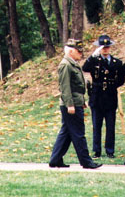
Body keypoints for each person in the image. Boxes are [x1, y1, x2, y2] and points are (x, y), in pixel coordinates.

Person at [49, 39, 102, 169]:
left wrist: (81, 102)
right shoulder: (66, 65)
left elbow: (76, 87)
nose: (81, 54)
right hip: (70, 104)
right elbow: (65, 87)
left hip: (75, 102)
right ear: (71, 51)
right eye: (79, 51)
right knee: (78, 133)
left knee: (66, 133)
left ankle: (55, 159)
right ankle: (86, 161)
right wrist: (70, 105)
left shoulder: (72, 63)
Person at [82, 35, 125, 159]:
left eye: (107, 47)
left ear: (110, 47)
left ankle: (110, 150)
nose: (105, 49)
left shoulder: (117, 62)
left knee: (110, 126)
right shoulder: (94, 61)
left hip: (110, 96)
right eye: (103, 47)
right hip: (97, 96)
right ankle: (97, 150)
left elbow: (121, 80)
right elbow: (84, 68)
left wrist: (111, 86)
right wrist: (92, 56)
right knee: (97, 125)